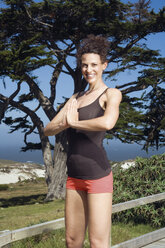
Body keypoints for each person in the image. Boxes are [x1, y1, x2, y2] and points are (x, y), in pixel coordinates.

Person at [44, 34, 122, 248]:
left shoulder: (111, 94)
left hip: (98, 176)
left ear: (104, 65)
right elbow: (48, 129)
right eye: (85, 65)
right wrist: (66, 122)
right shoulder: (75, 98)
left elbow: (108, 123)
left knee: (97, 242)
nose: (89, 70)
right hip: (74, 178)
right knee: (72, 240)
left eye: (94, 65)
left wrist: (74, 123)